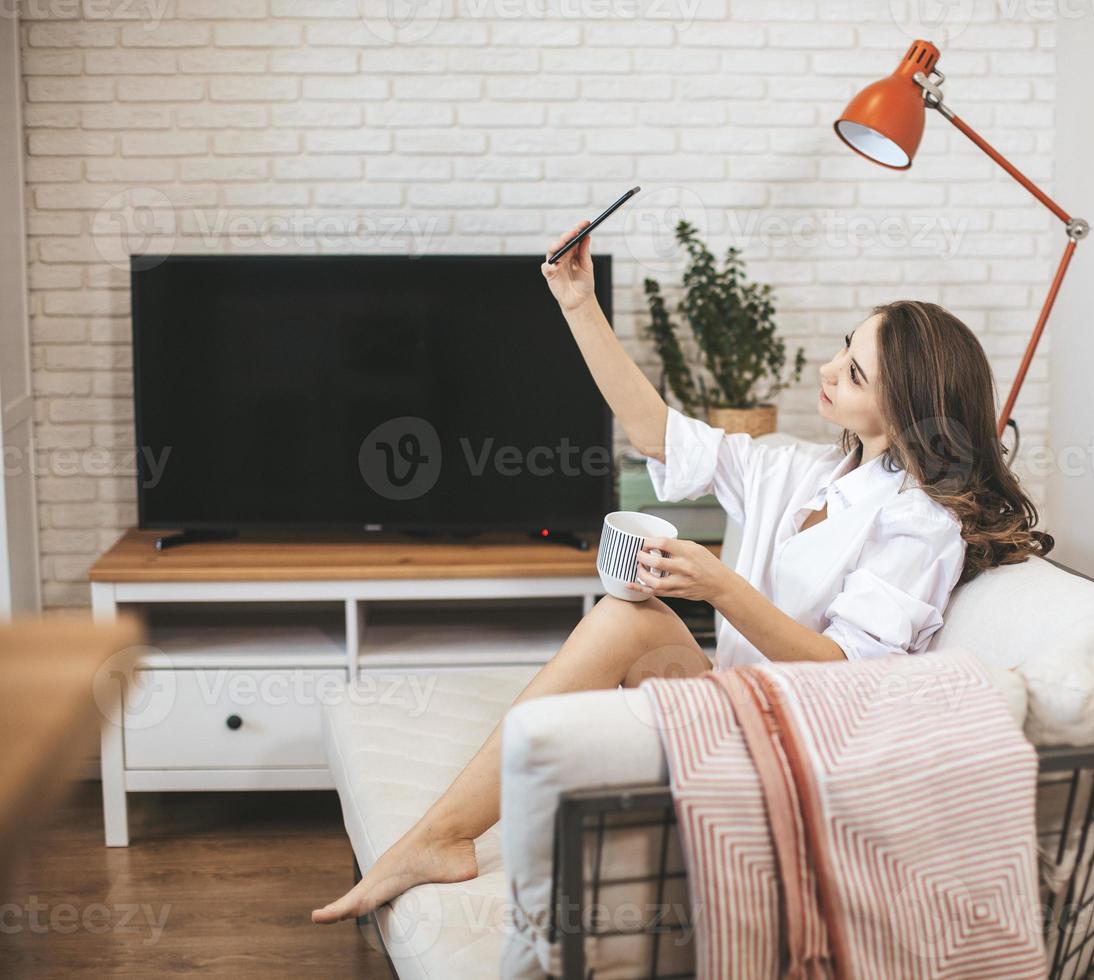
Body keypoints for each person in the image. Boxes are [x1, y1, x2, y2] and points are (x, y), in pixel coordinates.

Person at [311, 220, 1052, 924]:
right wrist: (579, 304)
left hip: (807, 757)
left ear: (904, 411)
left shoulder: (918, 525)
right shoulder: (801, 470)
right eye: (842, 348)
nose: (826, 370)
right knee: (627, 614)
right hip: (740, 710)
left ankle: (440, 837)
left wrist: (719, 586)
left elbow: (846, 673)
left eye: (853, 373)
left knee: (623, 619)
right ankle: (443, 834)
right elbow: (656, 431)